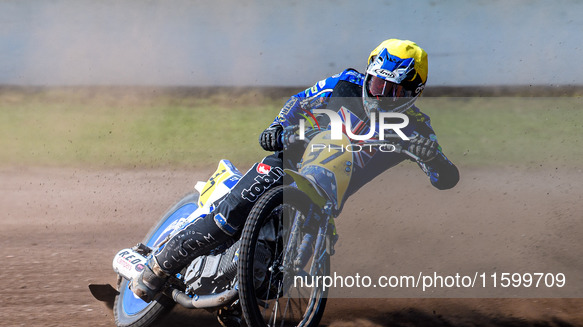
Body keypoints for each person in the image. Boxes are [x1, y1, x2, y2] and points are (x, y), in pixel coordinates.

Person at [131, 39, 460, 311]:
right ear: (368, 74)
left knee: (284, 273)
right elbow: (299, 102)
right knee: (228, 217)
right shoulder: (346, 83)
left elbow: (445, 179)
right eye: (378, 84)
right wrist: (277, 126)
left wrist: (436, 163)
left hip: (324, 200)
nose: (382, 96)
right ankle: (156, 267)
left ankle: (245, 301)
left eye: (395, 92)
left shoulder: (417, 130)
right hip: (286, 163)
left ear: (415, 92)